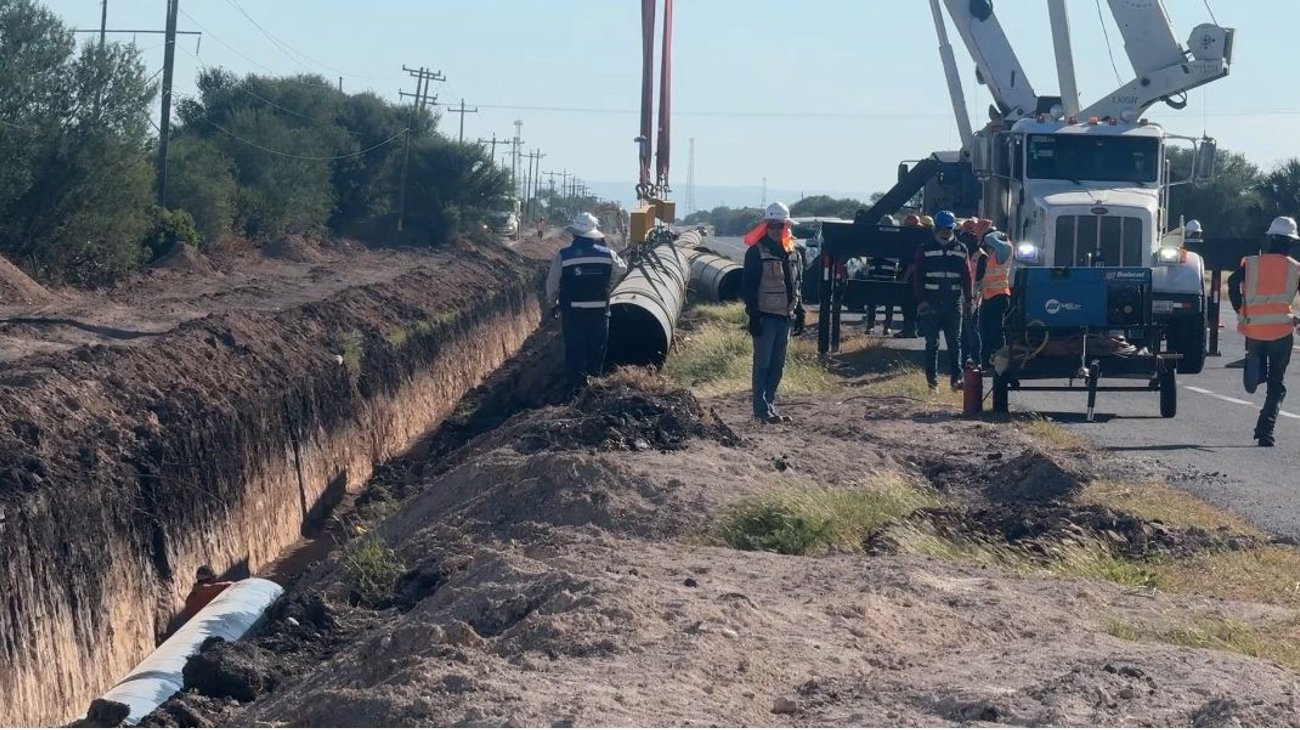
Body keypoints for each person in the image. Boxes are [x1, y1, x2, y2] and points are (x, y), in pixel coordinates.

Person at [1228, 216, 1300, 447]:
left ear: (1270, 239)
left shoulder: (1250, 263)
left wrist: (1240, 308)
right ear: (1291, 243)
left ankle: (1255, 368)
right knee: (1276, 386)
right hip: (1281, 331)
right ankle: (1265, 431)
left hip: (1254, 329)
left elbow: (1231, 283)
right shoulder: (1295, 268)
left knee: (1259, 366)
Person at [545, 212, 629, 394]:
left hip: (573, 313)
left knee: (575, 352)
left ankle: (575, 390)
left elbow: (551, 283)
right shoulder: (608, 254)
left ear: (574, 234)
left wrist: (553, 304)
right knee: (596, 353)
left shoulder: (564, 255)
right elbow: (622, 269)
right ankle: (593, 391)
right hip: (599, 313)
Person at [743, 202, 804, 423]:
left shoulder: (793, 253)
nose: (777, 230)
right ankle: (761, 409)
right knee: (763, 365)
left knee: (777, 366)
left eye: (781, 226)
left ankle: (770, 405)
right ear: (766, 226)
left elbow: (797, 284)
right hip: (766, 318)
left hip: (785, 317)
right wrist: (754, 316)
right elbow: (748, 287)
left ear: (787, 226)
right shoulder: (756, 253)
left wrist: (800, 310)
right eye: (773, 225)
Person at [912, 210, 972, 393]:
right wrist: (922, 300)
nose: (946, 232)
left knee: (954, 342)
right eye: (943, 229)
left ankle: (956, 380)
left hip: (953, 303)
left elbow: (967, 276)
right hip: (931, 303)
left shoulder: (961, 249)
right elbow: (918, 276)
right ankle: (932, 384)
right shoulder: (925, 249)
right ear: (936, 228)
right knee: (932, 343)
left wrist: (968, 300)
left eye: (949, 228)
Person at [976, 229, 1014, 367]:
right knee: (984, 330)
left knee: (996, 331)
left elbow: (990, 238)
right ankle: (985, 362)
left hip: (999, 296)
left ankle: (1000, 364)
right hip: (988, 296)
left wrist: (998, 233)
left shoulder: (1006, 248)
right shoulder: (994, 254)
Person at [893, 214, 924, 339]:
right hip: (912, 278)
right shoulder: (916, 239)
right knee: (909, 306)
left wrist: (905, 277)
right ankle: (909, 329)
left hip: (911, 279)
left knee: (909, 305)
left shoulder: (913, 242)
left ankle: (909, 330)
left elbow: (913, 264)